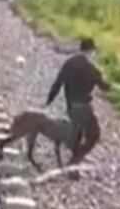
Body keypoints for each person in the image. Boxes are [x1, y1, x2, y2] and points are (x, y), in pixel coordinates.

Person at [45, 37, 111, 166]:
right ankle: (74, 161)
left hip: (71, 107)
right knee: (94, 136)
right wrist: (117, 86)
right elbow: (104, 87)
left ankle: (73, 162)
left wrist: (49, 101)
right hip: (84, 108)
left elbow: (57, 83)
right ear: (91, 51)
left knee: (77, 136)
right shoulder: (91, 68)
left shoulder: (69, 63)